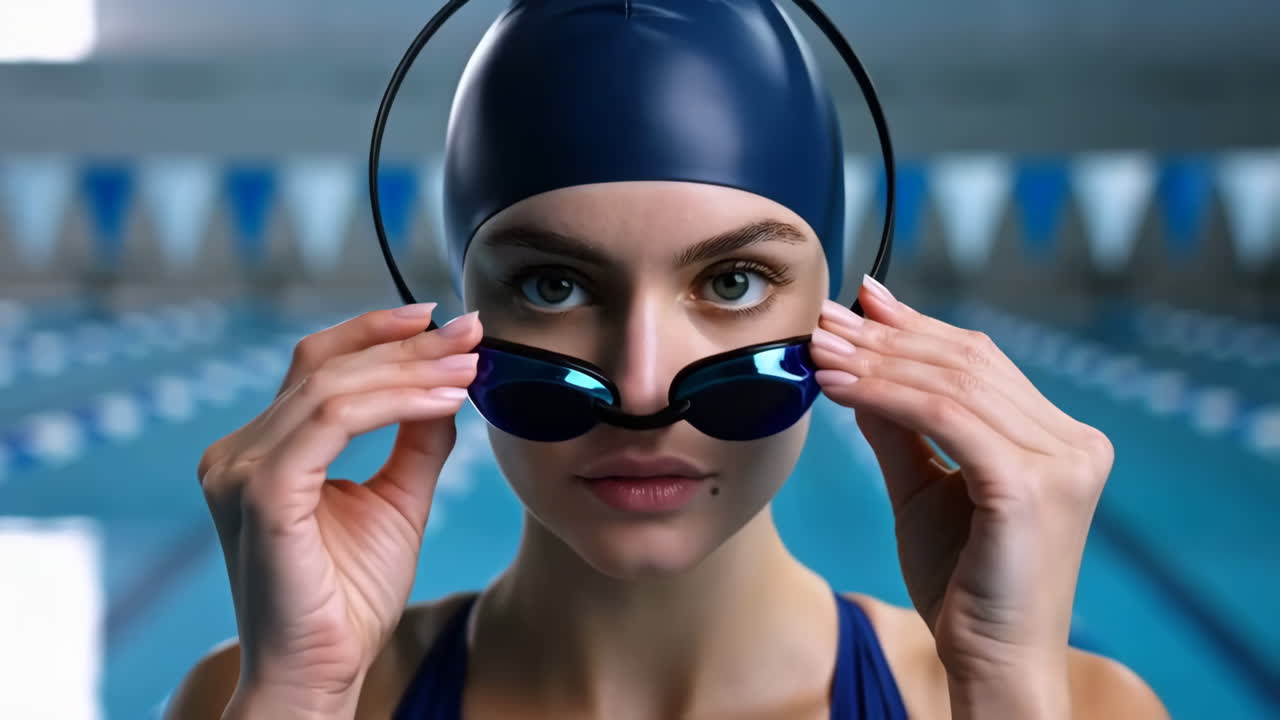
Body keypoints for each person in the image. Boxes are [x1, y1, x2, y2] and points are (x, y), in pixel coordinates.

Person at [167, 1, 1168, 718]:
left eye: (731, 282)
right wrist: (299, 694)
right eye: (553, 285)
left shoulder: (1073, 704)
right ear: (457, 316)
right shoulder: (256, 696)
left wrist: (1000, 685)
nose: (643, 387)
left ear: (840, 311)